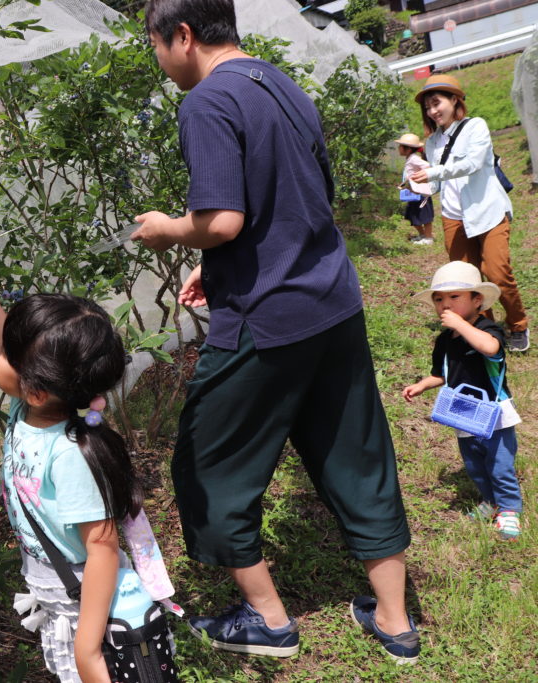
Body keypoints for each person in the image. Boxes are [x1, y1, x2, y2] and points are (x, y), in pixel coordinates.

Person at [130, 0, 419, 664]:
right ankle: (396, 620)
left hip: (266, 317)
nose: (159, 60)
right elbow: (300, 192)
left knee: (208, 458)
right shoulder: (277, 81)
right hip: (332, 299)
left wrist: (168, 229)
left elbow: (224, 216)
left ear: (182, 35)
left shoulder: (205, 102)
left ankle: (268, 618)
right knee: (356, 452)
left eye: (155, 45)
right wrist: (215, 263)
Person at [0, 151, 177, 682]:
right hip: (59, 599)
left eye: (6, 349)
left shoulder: (68, 453)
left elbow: (101, 550)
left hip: (87, 617)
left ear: (33, 387)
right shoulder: (41, 402)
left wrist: (89, 650)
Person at [401, 261, 523, 541]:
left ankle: (509, 509)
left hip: (494, 412)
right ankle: (490, 501)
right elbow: (440, 374)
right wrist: (422, 385)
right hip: (462, 411)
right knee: (475, 463)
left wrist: (460, 325)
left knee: (499, 463)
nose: (445, 304)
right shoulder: (444, 340)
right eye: (439, 299)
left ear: (477, 300)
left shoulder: (487, 328)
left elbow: (490, 348)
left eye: (455, 297)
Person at [409, 74, 530, 352]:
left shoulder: (476, 127)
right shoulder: (432, 142)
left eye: (436, 103)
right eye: (427, 107)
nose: (432, 111)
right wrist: (420, 183)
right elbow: (438, 183)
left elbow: (473, 164)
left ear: (454, 100)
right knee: (466, 281)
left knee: (496, 273)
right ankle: (485, 330)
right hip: (453, 217)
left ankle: (518, 324)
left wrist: (434, 171)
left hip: (486, 211)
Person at [395, 133, 435, 245]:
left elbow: (428, 167)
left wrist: (421, 177)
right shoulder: (410, 158)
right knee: (413, 214)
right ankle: (422, 235)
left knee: (424, 215)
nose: (398, 148)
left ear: (407, 149)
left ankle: (428, 238)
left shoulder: (414, 159)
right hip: (414, 192)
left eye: (401, 146)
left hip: (421, 192)